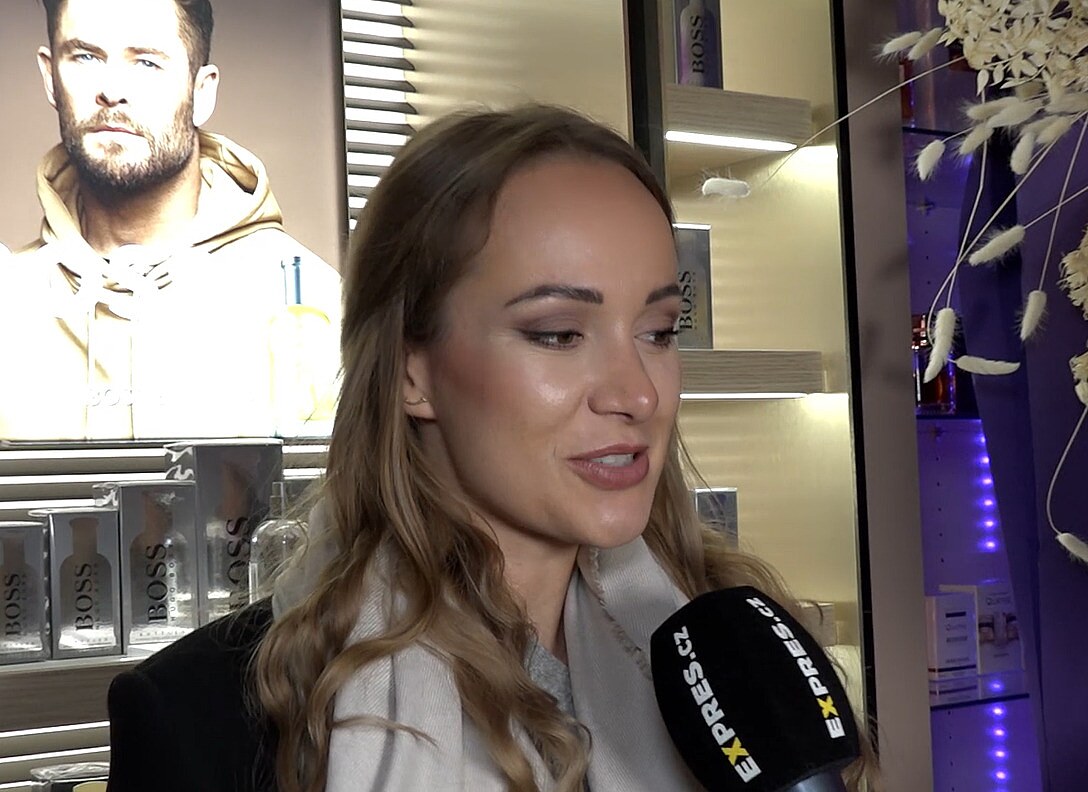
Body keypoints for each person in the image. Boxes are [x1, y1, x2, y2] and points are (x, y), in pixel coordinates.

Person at [105, 105, 878, 792]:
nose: (638, 394)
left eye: (658, 331)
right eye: (558, 334)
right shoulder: (199, 719)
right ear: (413, 371)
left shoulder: (747, 659)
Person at [0, 0, 340, 441]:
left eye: (146, 62)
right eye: (85, 56)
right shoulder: (9, 302)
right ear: (50, 77)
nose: (112, 91)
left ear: (202, 92)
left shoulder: (316, 305)